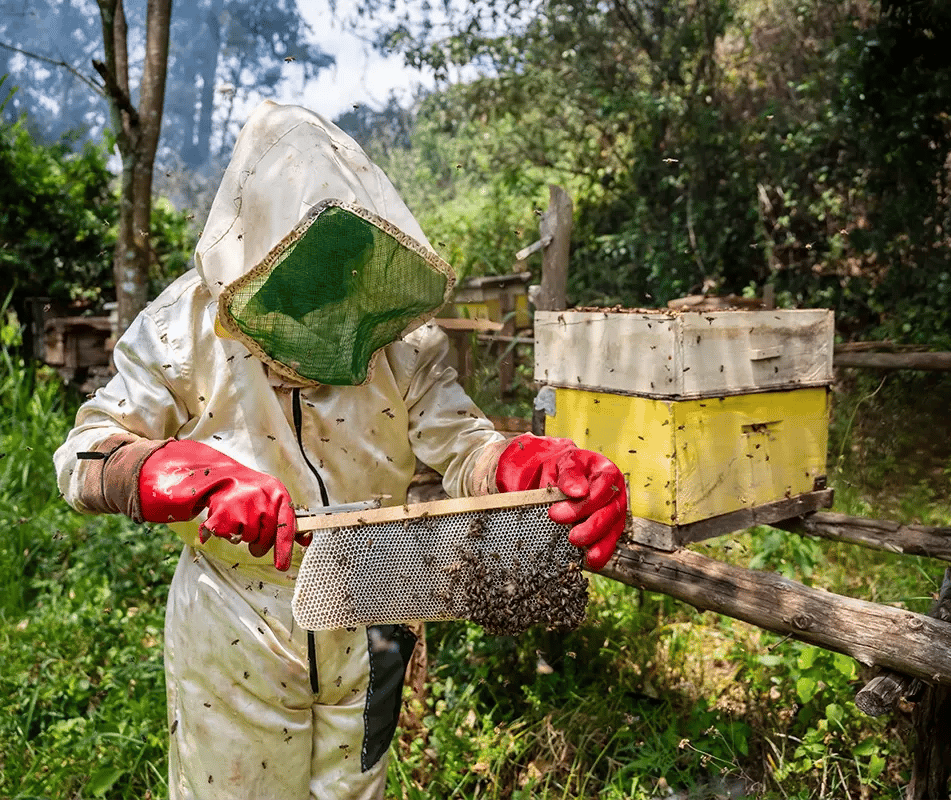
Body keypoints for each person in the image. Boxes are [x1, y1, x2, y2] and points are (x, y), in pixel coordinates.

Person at [53, 100, 627, 800]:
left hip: (372, 607)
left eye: (342, 273)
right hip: (237, 624)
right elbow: (84, 456)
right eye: (303, 279)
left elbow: (464, 448)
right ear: (256, 251)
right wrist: (164, 468)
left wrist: (522, 466)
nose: (328, 301)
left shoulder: (401, 341)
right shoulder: (182, 329)